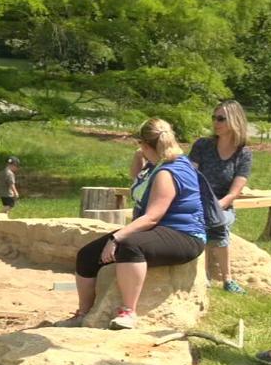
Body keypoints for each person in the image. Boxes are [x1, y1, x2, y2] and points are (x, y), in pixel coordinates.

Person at [58, 118, 206, 330]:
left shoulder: (167, 172)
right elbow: (137, 178)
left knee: (129, 245)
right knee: (87, 255)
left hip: (185, 235)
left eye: (140, 146)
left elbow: (153, 217)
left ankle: (128, 312)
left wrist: (116, 237)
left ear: (145, 144)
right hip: (158, 229)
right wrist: (141, 153)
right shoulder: (159, 164)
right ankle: (84, 313)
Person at [189, 100, 253, 294]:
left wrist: (217, 206)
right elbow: (190, 175)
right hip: (197, 199)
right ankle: (205, 275)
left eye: (221, 118)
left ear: (235, 120)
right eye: (214, 117)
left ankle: (227, 279)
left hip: (223, 204)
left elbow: (234, 191)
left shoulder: (244, 153)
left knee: (219, 222)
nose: (215, 122)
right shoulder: (202, 145)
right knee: (201, 222)